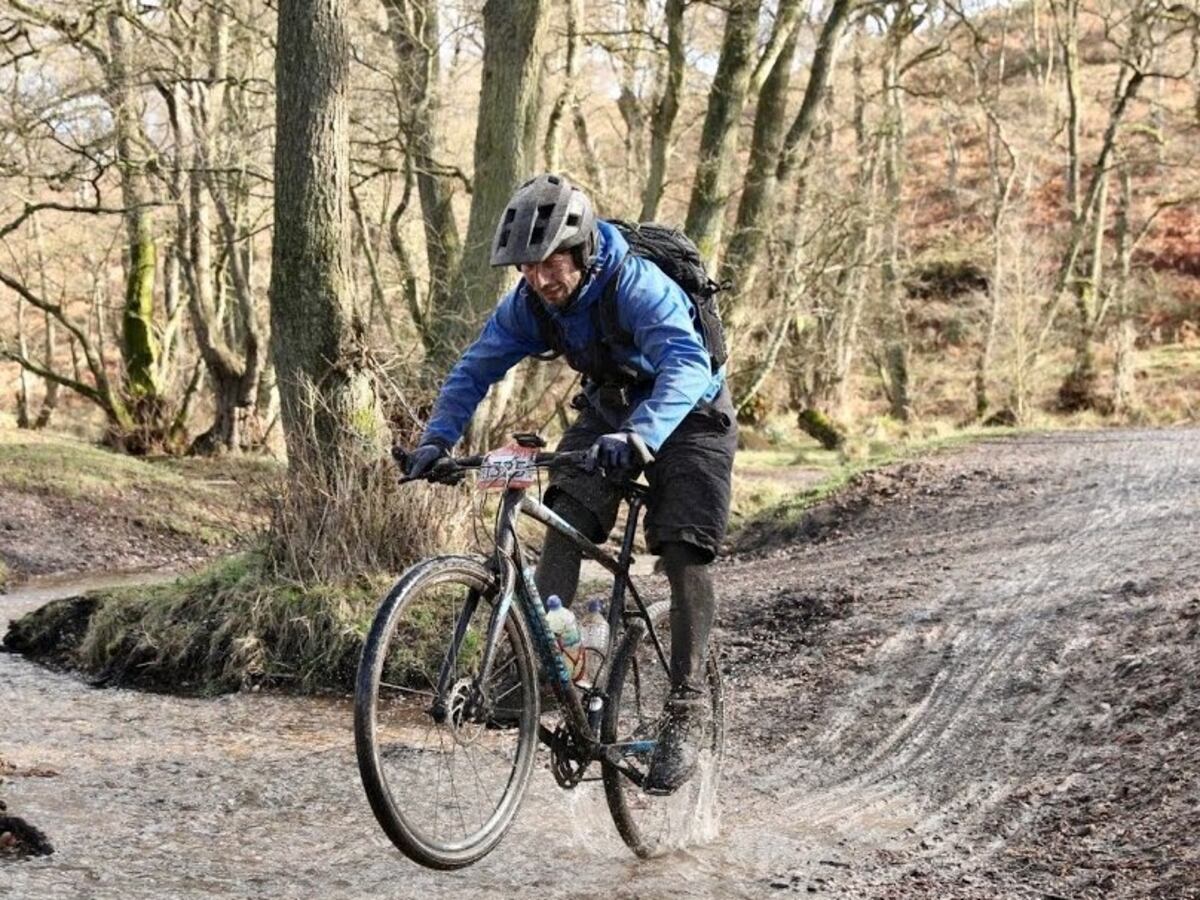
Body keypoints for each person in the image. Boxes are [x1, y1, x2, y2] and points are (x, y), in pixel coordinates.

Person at [403, 173, 737, 794]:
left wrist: (642, 436)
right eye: (526, 270)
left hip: (691, 412)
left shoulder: (636, 284)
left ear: (583, 249)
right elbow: (476, 366)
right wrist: (436, 439)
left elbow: (687, 364)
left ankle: (686, 707)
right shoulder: (532, 304)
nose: (539, 281)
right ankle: (544, 673)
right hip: (609, 409)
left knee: (684, 548)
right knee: (563, 519)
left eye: (549, 265)